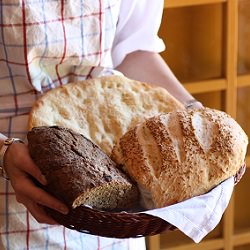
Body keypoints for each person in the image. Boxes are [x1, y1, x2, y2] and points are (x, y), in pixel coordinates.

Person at [0, 0, 202, 249]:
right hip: (12, 182)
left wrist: (194, 112)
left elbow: (131, 50)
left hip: (109, 182)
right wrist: (3, 152)